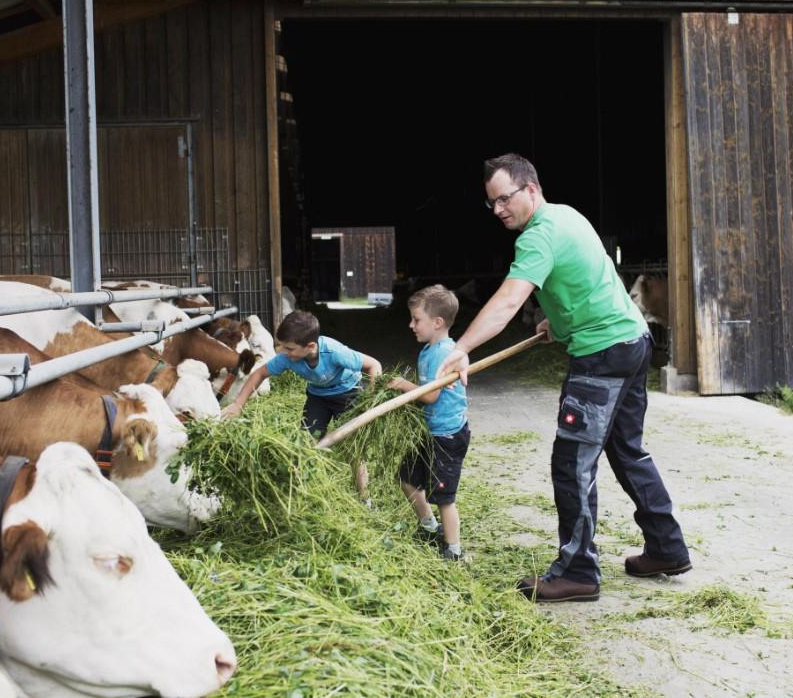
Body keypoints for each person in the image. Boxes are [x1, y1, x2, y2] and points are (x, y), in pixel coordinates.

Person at [438, 153, 691, 602]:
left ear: (530, 189)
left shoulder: (537, 236)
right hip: (632, 340)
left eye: (504, 199)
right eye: (491, 203)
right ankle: (666, 547)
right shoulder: (566, 217)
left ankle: (577, 571)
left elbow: (507, 302)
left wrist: (460, 350)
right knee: (628, 450)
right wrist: (562, 319)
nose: (498, 210)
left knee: (571, 463)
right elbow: (589, 279)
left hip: (602, 356)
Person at [222, 310, 382, 502]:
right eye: (281, 346)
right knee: (306, 444)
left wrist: (371, 401)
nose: (283, 352)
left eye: (289, 348)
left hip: (348, 394)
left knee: (354, 450)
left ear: (310, 346)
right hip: (318, 397)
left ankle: (365, 498)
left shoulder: (334, 352)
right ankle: (307, 496)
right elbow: (259, 373)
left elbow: (374, 365)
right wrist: (238, 404)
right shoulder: (288, 358)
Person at [387, 285, 470, 561]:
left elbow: (431, 395)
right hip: (427, 431)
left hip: (447, 435)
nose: (411, 325)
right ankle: (429, 527)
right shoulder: (428, 350)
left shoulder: (444, 353)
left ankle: (453, 550)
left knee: (444, 496)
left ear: (437, 322)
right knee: (407, 480)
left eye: (416, 319)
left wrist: (402, 386)